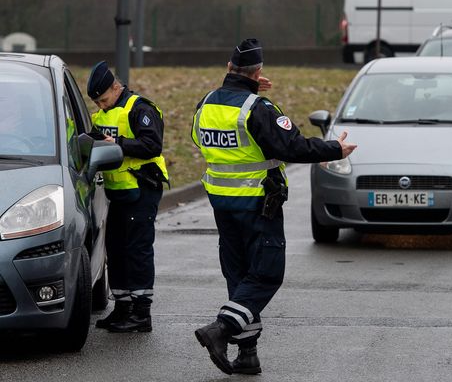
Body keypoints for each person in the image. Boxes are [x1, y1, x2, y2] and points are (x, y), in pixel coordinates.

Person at [190, 38, 357, 375]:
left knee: (239, 276)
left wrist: (246, 89)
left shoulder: (206, 104)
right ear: (259, 71)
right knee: (266, 274)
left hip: (221, 204)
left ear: (228, 68)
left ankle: (247, 354)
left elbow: (199, 138)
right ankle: (221, 329)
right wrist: (333, 150)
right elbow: (292, 147)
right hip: (256, 204)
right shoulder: (258, 109)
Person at [87, 61, 169, 333]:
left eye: (104, 99)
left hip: (142, 189)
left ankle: (141, 312)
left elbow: (151, 145)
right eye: (97, 102)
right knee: (117, 249)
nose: (101, 106)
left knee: (138, 250)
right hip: (118, 193)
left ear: (115, 86)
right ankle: (122, 308)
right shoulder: (103, 115)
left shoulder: (140, 108)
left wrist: (118, 144)